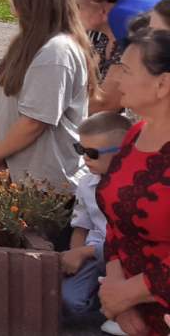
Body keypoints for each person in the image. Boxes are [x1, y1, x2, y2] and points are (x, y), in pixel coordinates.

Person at [0, 0, 97, 187]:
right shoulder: (25, 43)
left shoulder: (57, 51)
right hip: (19, 175)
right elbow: (1, 105)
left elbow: (35, 121)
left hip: (48, 184)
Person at [96, 28, 170, 335]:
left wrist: (130, 292)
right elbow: (115, 220)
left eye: (125, 70)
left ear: (163, 83)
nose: (116, 80)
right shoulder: (134, 133)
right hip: (129, 315)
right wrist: (119, 295)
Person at [62, 111, 133, 325]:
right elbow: (81, 227)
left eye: (92, 153)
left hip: (128, 257)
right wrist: (76, 255)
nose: (85, 157)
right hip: (96, 256)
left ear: (121, 153)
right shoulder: (86, 184)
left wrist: (85, 251)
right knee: (70, 302)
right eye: (80, 149)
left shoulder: (135, 186)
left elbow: (128, 243)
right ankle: (105, 309)